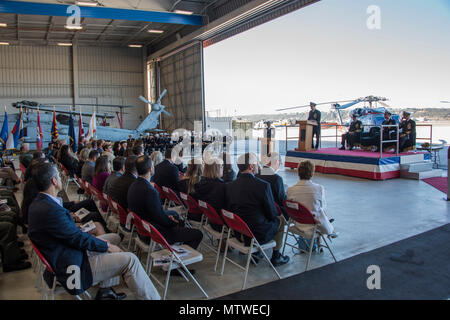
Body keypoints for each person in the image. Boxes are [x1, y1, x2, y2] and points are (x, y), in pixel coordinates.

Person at [27, 162, 160, 300]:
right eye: (58, 177)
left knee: (114, 237)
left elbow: (67, 234)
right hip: (74, 264)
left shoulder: (40, 203)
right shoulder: (50, 211)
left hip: (69, 252)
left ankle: (105, 291)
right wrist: (107, 246)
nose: (60, 178)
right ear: (54, 181)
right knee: (131, 260)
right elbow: (76, 238)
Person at [226, 153, 289, 266]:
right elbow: (272, 213)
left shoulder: (230, 185)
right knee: (280, 220)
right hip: (257, 234)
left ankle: (257, 254)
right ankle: (276, 256)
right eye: (256, 163)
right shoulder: (263, 186)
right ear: (251, 166)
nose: (258, 166)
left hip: (239, 232)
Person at [128, 156, 203, 250]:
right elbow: (160, 218)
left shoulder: (133, 185)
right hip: (155, 234)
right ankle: (179, 257)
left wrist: (169, 218)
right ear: (151, 169)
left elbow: (157, 214)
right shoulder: (150, 191)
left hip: (143, 230)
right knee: (197, 234)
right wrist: (173, 222)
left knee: (177, 219)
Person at [286, 161, 335, 242]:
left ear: (298, 173)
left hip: (298, 223)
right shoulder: (319, 188)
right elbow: (322, 207)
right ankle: (329, 230)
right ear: (312, 173)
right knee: (320, 210)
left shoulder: (290, 190)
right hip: (313, 225)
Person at [194, 157, 227, 232]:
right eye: (221, 166)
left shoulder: (198, 185)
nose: (223, 168)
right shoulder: (222, 186)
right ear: (217, 169)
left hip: (210, 219)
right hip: (222, 223)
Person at [256, 152, 288, 220]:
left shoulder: (257, 174)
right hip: (273, 211)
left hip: (259, 209)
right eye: (280, 163)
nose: (279, 165)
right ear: (276, 161)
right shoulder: (276, 178)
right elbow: (281, 200)